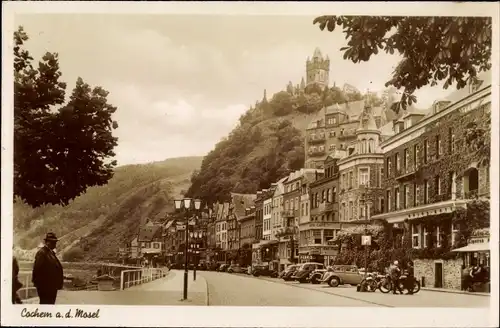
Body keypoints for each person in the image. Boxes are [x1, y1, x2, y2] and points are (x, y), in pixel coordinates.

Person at [32, 232, 64, 304]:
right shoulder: (42, 253)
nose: (55, 244)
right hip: (45, 287)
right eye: (53, 242)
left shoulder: (50, 253)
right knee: (46, 305)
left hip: (51, 287)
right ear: (47, 242)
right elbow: (37, 270)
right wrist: (40, 286)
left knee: (50, 305)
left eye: (55, 242)